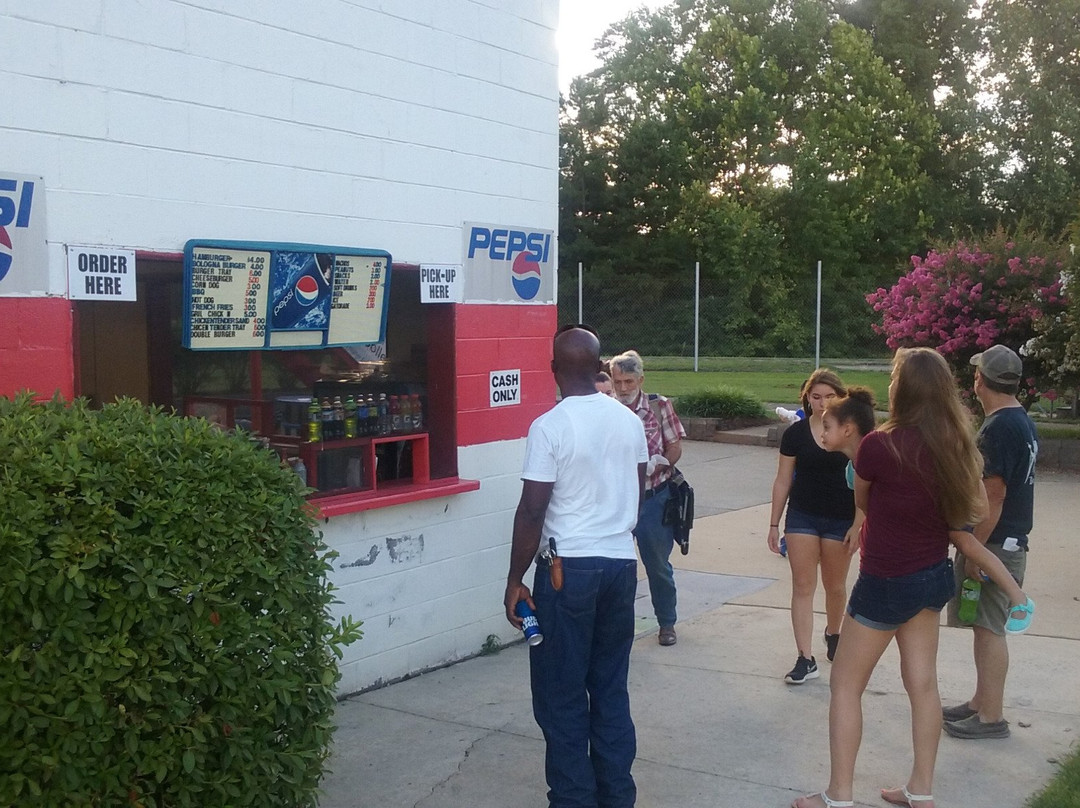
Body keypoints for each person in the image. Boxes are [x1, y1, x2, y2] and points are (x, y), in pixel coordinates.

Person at [793, 347, 1034, 808]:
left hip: (884, 580)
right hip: (932, 578)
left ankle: (839, 793)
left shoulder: (878, 446)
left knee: (845, 685)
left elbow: (863, 500)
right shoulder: (957, 446)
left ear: (902, 390)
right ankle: (920, 789)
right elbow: (973, 510)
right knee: (923, 686)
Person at [504, 325, 648, 808]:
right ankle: (617, 797)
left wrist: (514, 580)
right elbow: (638, 491)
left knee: (561, 696)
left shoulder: (550, 426)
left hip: (567, 573)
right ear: (601, 367)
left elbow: (532, 510)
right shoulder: (629, 421)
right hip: (620, 566)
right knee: (609, 689)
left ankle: (573, 800)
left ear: (553, 370)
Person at [942, 344, 1039, 740]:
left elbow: (993, 498)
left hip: (996, 542)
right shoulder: (1021, 420)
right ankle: (981, 702)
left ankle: (991, 717)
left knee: (989, 629)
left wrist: (974, 550)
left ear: (981, 380)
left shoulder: (998, 429)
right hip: (1009, 540)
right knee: (984, 626)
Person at [766, 369, 855, 682]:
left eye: (830, 396)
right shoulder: (796, 434)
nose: (823, 403)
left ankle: (834, 632)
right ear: (807, 399)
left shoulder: (850, 431)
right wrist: (774, 523)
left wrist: (860, 523)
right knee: (803, 586)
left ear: (841, 398)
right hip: (803, 514)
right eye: (816, 397)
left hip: (841, 517)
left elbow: (865, 480)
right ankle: (805, 657)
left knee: (835, 585)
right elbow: (782, 479)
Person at [609, 350, 686, 646]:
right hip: (617, 500)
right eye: (618, 382)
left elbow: (675, 446)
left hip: (654, 498)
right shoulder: (607, 407)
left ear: (641, 380)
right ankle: (616, 627)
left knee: (657, 565)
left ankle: (667, 622)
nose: (623, 388)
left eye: (629, 382)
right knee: (615, 566)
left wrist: (660, 463)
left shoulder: (658, 406)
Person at [819, 386, 878, 490]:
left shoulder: (877, 462)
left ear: (847, 430)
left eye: (826, 427)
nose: (822, 434)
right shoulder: (851, 470)